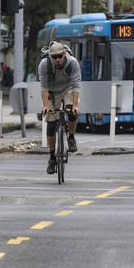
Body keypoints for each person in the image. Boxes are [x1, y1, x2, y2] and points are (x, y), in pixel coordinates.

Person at [39, 42, 81, 174]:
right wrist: (45, 106)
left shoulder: (73, 62)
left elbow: (76, 85)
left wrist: (75, 105)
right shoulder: (44, 65)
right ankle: (52, 158)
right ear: (50, 57)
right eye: (54, 57)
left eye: (59, 56)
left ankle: (71, 138)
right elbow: (44, 86)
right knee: (51, 125)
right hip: (52, 92)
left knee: (71, 112)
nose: (57, 59)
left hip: (67, 88)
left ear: (64, 54)